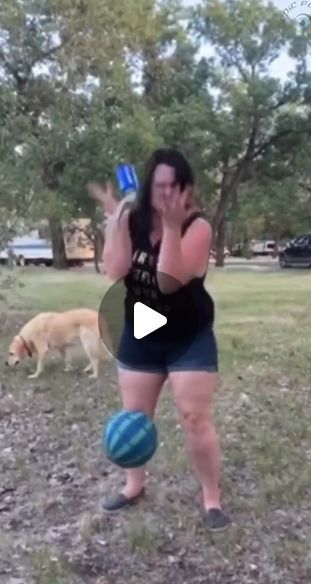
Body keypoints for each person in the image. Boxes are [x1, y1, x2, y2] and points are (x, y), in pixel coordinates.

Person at [88, 148, 231, 531]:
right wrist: (117, 221)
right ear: (148, 187)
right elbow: (116, 272)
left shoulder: (197, 227)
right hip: (145, 327)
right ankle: (134, 486)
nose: (166, 193)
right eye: (159, 185)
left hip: (188, 331)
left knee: (194, 417)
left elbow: (169, 282)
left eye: (174, 186)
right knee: (134, 417)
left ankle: (211, 497)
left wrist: (170, 228)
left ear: (186, 190)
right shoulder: (133, 220)